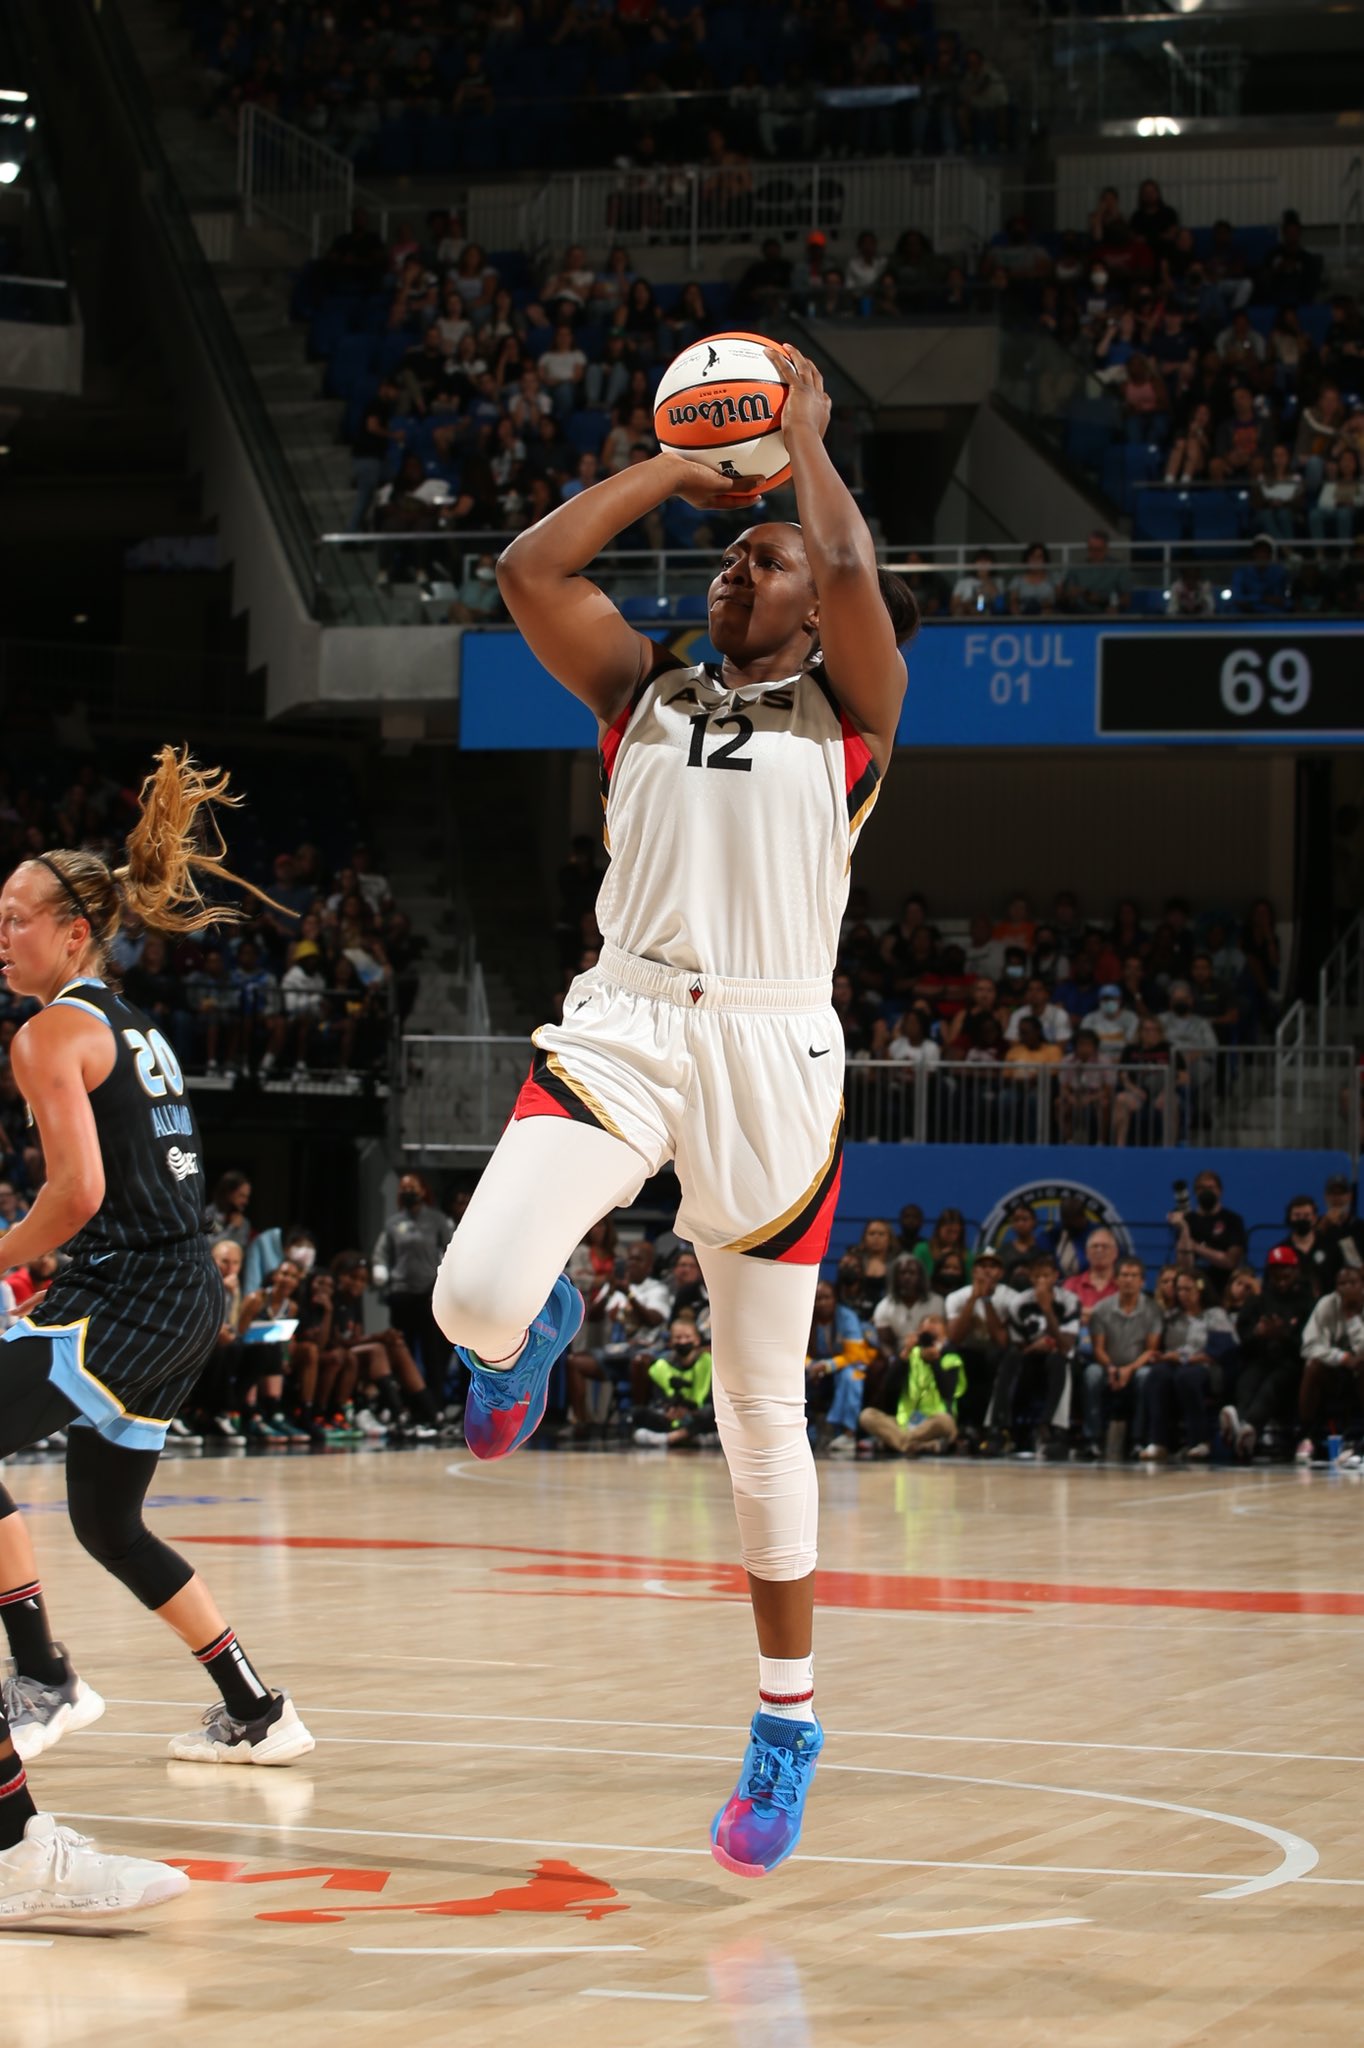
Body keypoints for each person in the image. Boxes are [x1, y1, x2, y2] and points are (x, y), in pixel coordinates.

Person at [431, 343, 916, 1879]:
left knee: (757, 1413)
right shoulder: (636, 688)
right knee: (472, 1296)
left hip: (777, 1052)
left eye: (757, 559)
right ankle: (542, 1334)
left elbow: (843, 553)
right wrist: (680, 466)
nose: (734, 570)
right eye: (722, 558)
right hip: (628, 1018)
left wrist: (803, 441)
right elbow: (529, 566)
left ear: (810, 603)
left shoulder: (858, 715)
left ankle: (785, 1724)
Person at [0, 750, 315, 1924]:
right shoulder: (128, 1024)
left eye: (20, 917)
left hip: (126, 1290)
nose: (5, 934)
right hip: (183, 1294)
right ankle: (255, 1705)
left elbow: (75, 1196)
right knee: (106, 1518)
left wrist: (1, 1253)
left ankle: (40, 1673)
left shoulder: (43, 1039)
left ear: (76, 929)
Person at [371, 1172, 455, 1399]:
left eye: (412, 1187)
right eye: (404, 1187)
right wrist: (380, 1270)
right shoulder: (394, 1223)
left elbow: (450, 1248)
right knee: (402, 1350)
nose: (408, 1191)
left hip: (427, 1294)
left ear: (422, 1190)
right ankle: (408, 1402)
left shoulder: (436, 1220)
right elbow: (382, 1252)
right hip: (401, 1293)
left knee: (432, 1351)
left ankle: (435, 1402)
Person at [1085, 1256, 1162, 1461]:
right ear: (1116, 1280)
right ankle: (1093, 1439)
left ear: (1142, 1281)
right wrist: (1111, 1368)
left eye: (1134, 1276)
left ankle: (1138, 1440)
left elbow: (1151, 1350)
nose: (1129, 1280)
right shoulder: (1101, 1309)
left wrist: (1128, 1370)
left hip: (1137, 1366)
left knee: (1146, 1376)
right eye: (1124, 1275)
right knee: (1091, 1374)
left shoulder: (1153, 1309)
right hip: (1107, 1364)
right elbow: (1098, 1348)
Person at [859, 1315, 964, 1458]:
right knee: (867, 1415)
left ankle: (897, 1443)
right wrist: (905, 1354)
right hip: (904, 1422)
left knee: (946, 1421)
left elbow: (948, 1392)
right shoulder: (909, 1355)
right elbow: (888, 1387)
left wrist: (934, 1362)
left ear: (945, 1332)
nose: (930, 1326)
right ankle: (918, 1445)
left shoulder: (950, 1357)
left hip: (933, 1423)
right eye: (925, 1329)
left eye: (935, 1323)